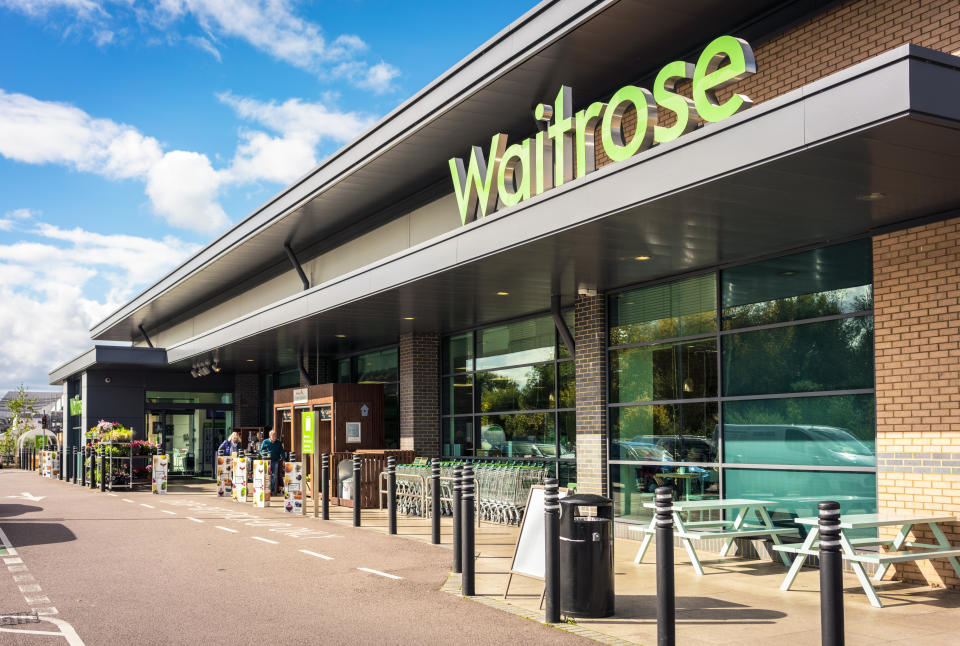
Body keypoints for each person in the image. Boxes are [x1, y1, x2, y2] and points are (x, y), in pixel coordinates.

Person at [259, 429, 285, 495]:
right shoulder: (265, 441)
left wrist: (284, 459)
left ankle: (271, 490)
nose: (275, 437)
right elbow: (260, 451)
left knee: (274, 476)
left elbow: (282, 451)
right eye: (273, 436)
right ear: (270, 436)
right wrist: (264, 455)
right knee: (266, 475)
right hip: (267, 461)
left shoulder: (278, 442)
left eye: (275, 436)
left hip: (275, 461)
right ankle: (265, 489)